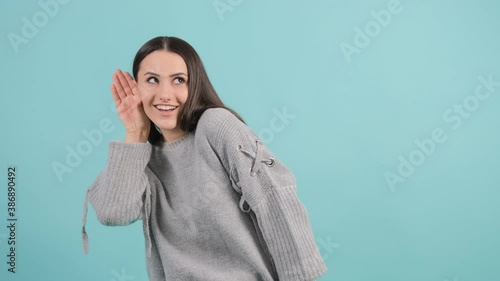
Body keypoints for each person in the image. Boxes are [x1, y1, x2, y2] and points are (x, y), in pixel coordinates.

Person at [81, 36, 327, 281]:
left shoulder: (216, 126)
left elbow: (274, 198)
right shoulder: (140, 158)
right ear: (136, 88)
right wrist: (135, 134)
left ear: (194, 85)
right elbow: (114, 214)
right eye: (152, 80)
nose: (165, 94)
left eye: (179, 80)